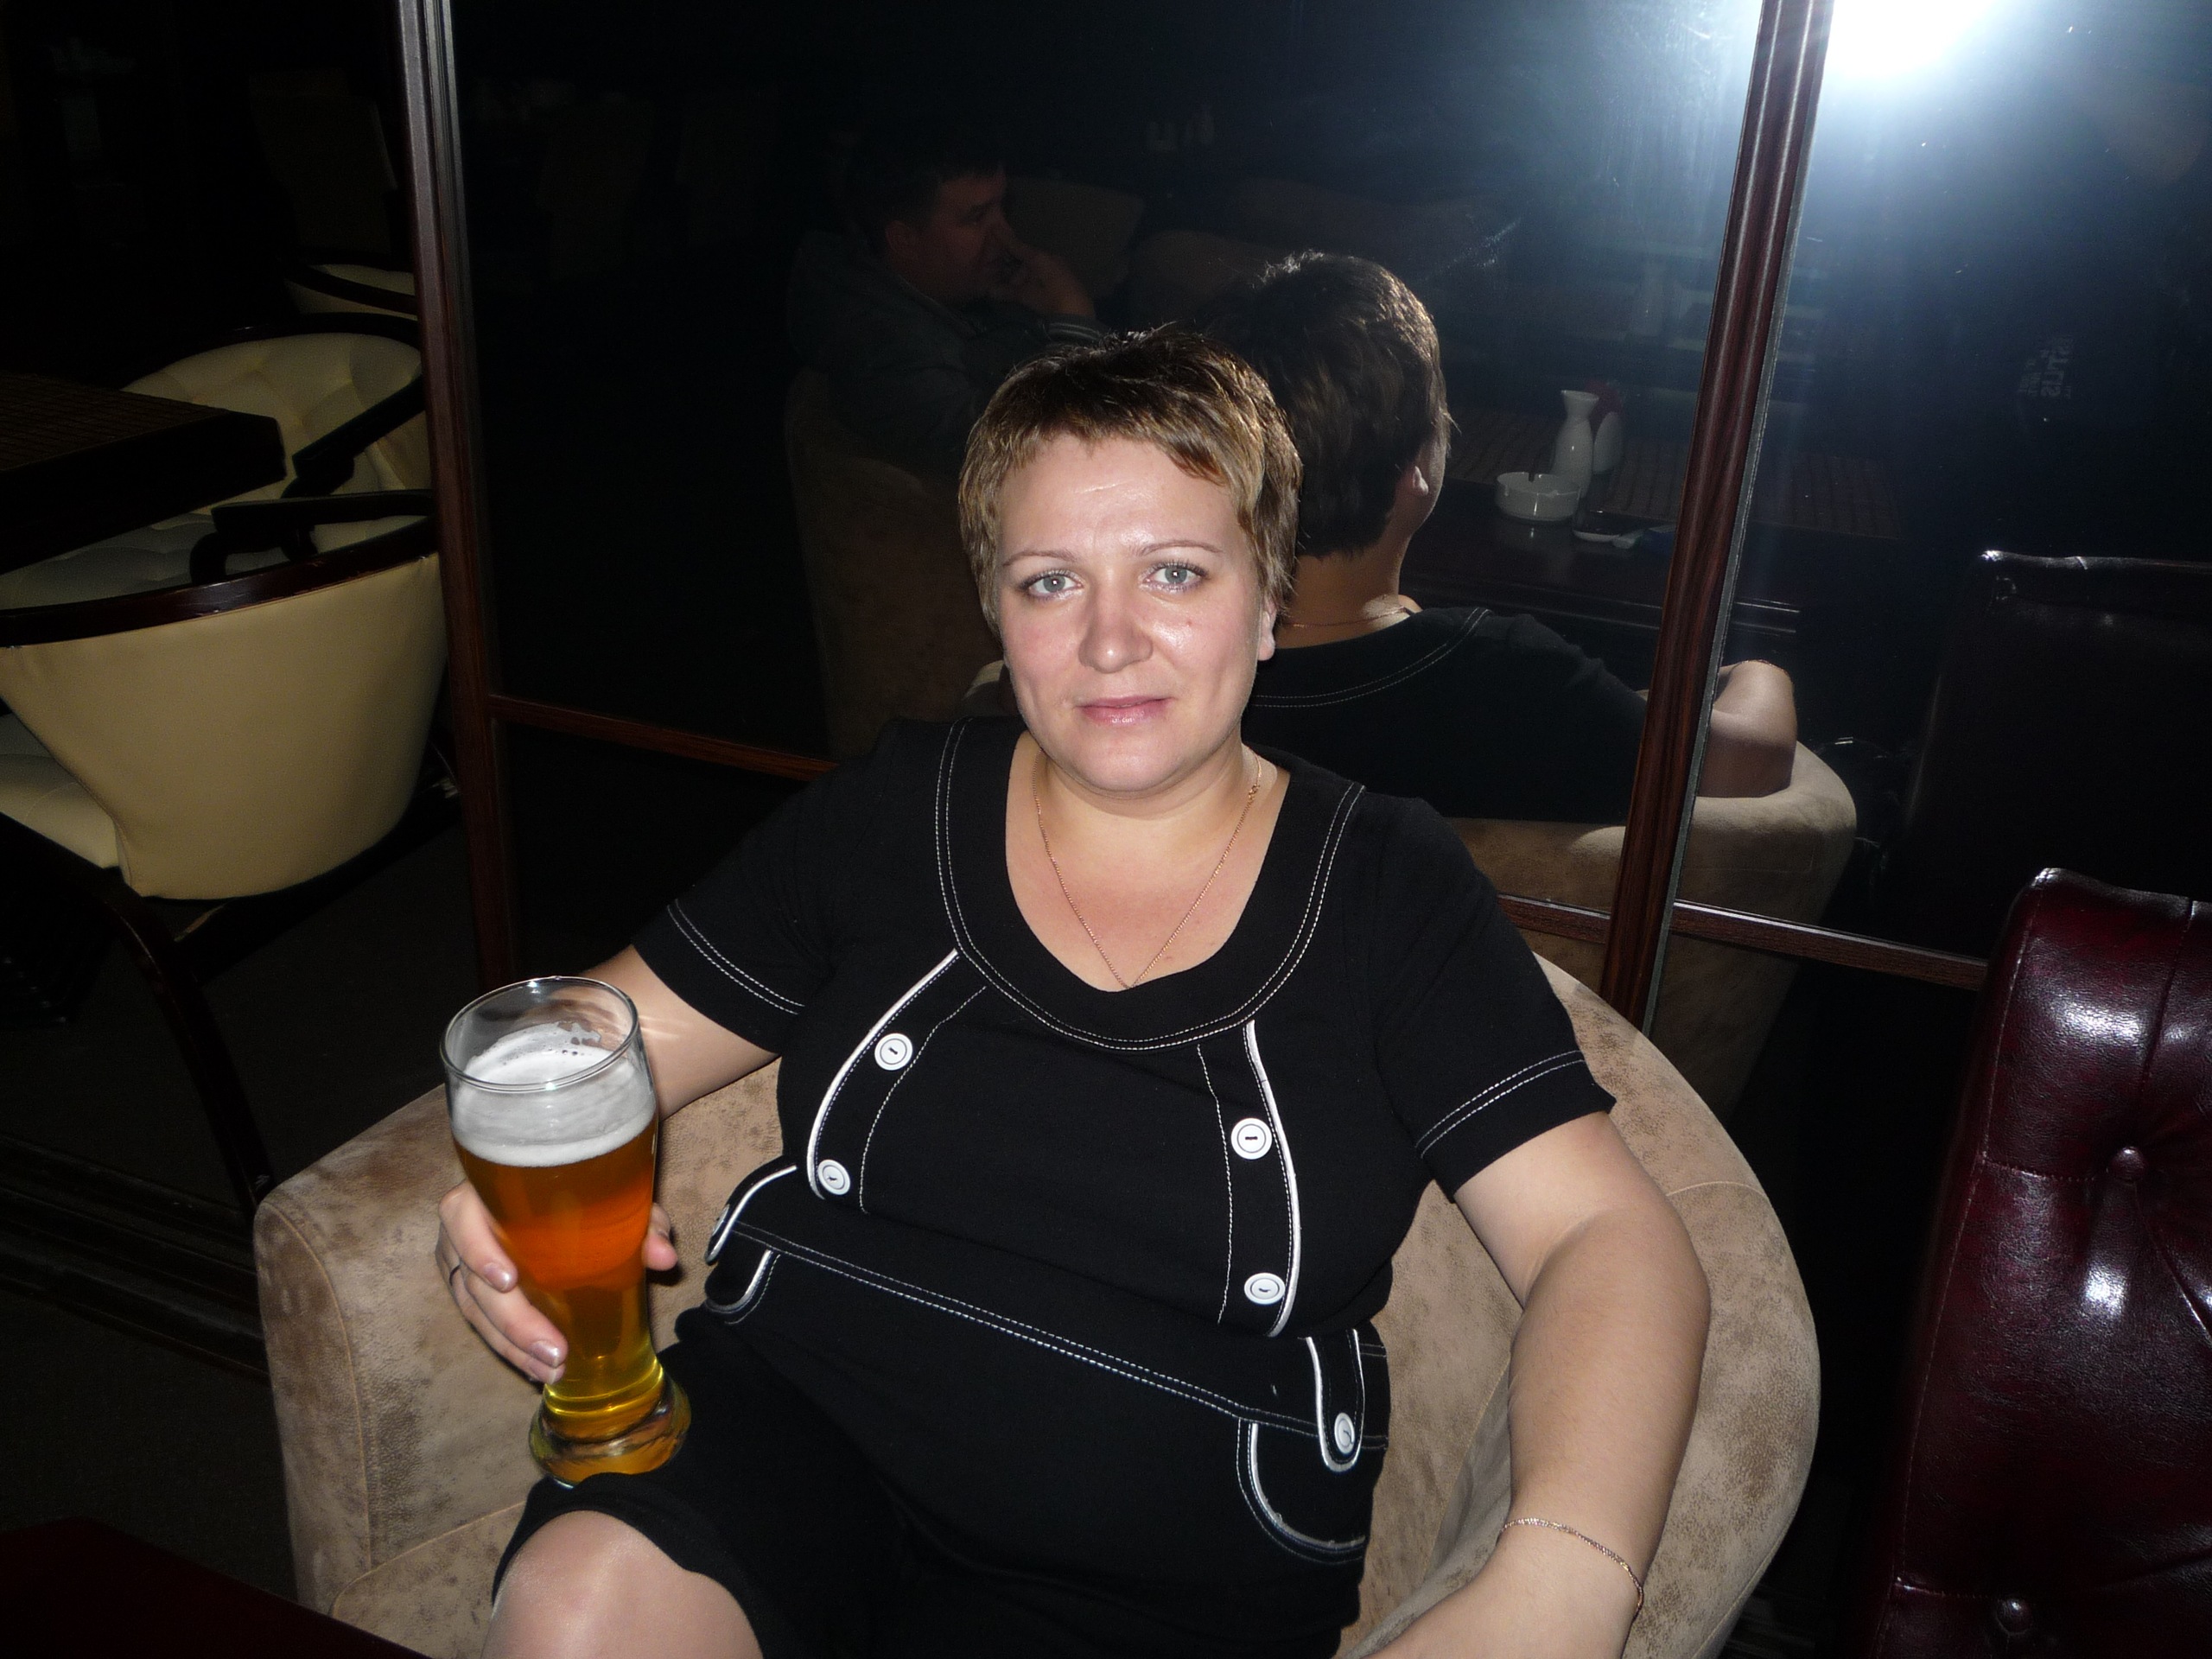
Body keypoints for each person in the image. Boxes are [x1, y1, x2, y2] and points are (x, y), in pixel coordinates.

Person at [439, 330, 1710, 1659]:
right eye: (1051, 581)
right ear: (996, 611)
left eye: (1176, 572)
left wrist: (1558, 1580)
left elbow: (1605, 1237)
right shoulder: (894, 808)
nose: (1111, 640)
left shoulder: (1388, 884)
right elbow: (598, 1036)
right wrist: (501, 1183)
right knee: (577, 1607)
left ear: (1269, 598)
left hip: (1168, 1564)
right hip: (791, 1424)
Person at [1199, 253, 1798, 819]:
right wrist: (1759, 672)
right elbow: (1752, 759)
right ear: (1415, 468)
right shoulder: (1510, 684)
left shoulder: (1184, 670)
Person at [788, 113, 1106, 475]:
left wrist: (1034, 318)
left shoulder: (954, 291)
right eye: (976, 217)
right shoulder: (882, 352)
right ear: (905, 240)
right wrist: (1073, 326)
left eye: (1003, 208)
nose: (1005, 234)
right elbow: (1023, 458)